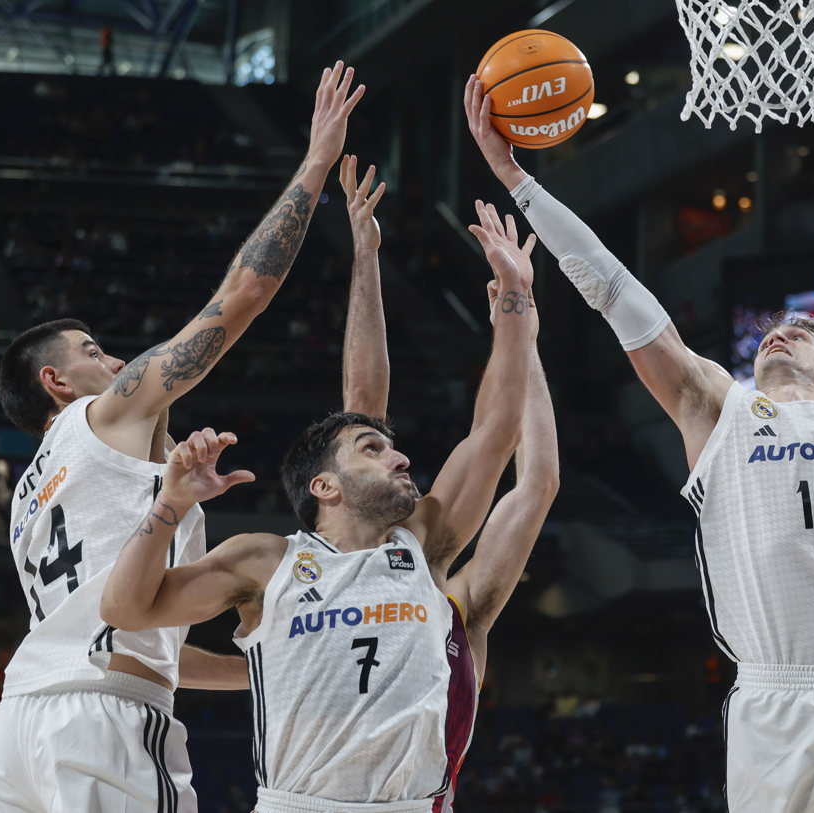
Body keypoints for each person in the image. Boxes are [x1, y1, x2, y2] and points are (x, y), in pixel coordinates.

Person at [465, 77, 814, 812]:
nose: (778, 330)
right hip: (775, 697)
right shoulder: (716, 408)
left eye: (801, 330)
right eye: (771, 330)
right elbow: (613, 286)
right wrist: (518, 178)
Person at [0, 63, 365, 813]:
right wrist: (315, 162)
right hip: (104, 719)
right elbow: (241, 296)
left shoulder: (30, 494)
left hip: (22, 724)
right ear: (55, 382)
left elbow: (152, 642)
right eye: (92, 351)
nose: (116, 361)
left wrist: (267, 663)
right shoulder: (109, 418)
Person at [100, 201, 558, 813]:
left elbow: (496, 431)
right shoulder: (265, 562)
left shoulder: (421, 545)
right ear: (324, 487)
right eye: (376, 450)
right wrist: (171, 503)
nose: (401, 459)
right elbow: (124, 610)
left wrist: (515, 303)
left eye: (395, 451)